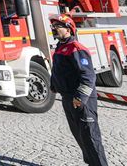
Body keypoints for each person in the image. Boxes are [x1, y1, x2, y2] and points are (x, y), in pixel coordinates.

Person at [50, 14, 109, 166]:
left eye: (58, 26)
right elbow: (58, 70)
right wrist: (54, 85)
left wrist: (80, 98)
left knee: (90, 137)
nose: (54, 28)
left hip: (82, 100)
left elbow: (88, 76)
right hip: (68, 98)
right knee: (80, 137)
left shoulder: (76, 48)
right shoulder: (60, 47)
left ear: (69, 29)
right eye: (53, 26)